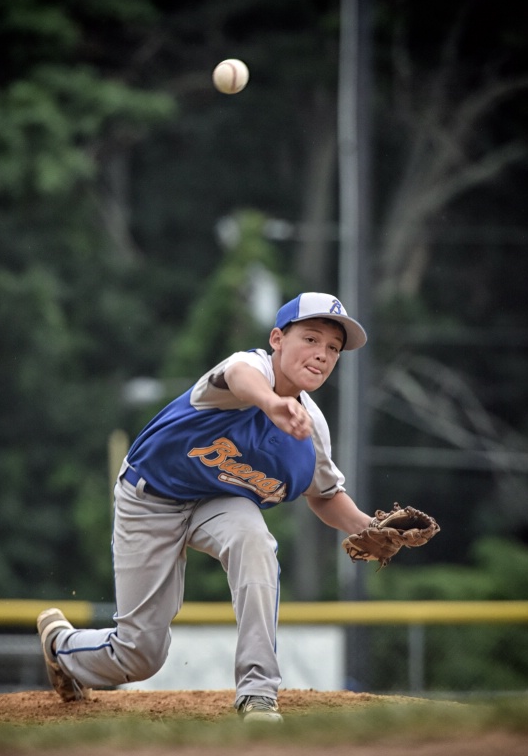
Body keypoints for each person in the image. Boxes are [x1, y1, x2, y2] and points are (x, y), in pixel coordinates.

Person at [38, 291, 374, 722]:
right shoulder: (249, 369)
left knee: (255, 540)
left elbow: (324, 494)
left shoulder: (312, 428)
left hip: (219, 500)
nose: (322, 354)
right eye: (310, 338)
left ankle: (258, 694)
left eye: (333, 348)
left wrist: (370, 528)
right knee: (139, 656)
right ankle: (61, 647)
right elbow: (238, 376)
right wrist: (272, 403)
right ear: (277, 339)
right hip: (151, 498)